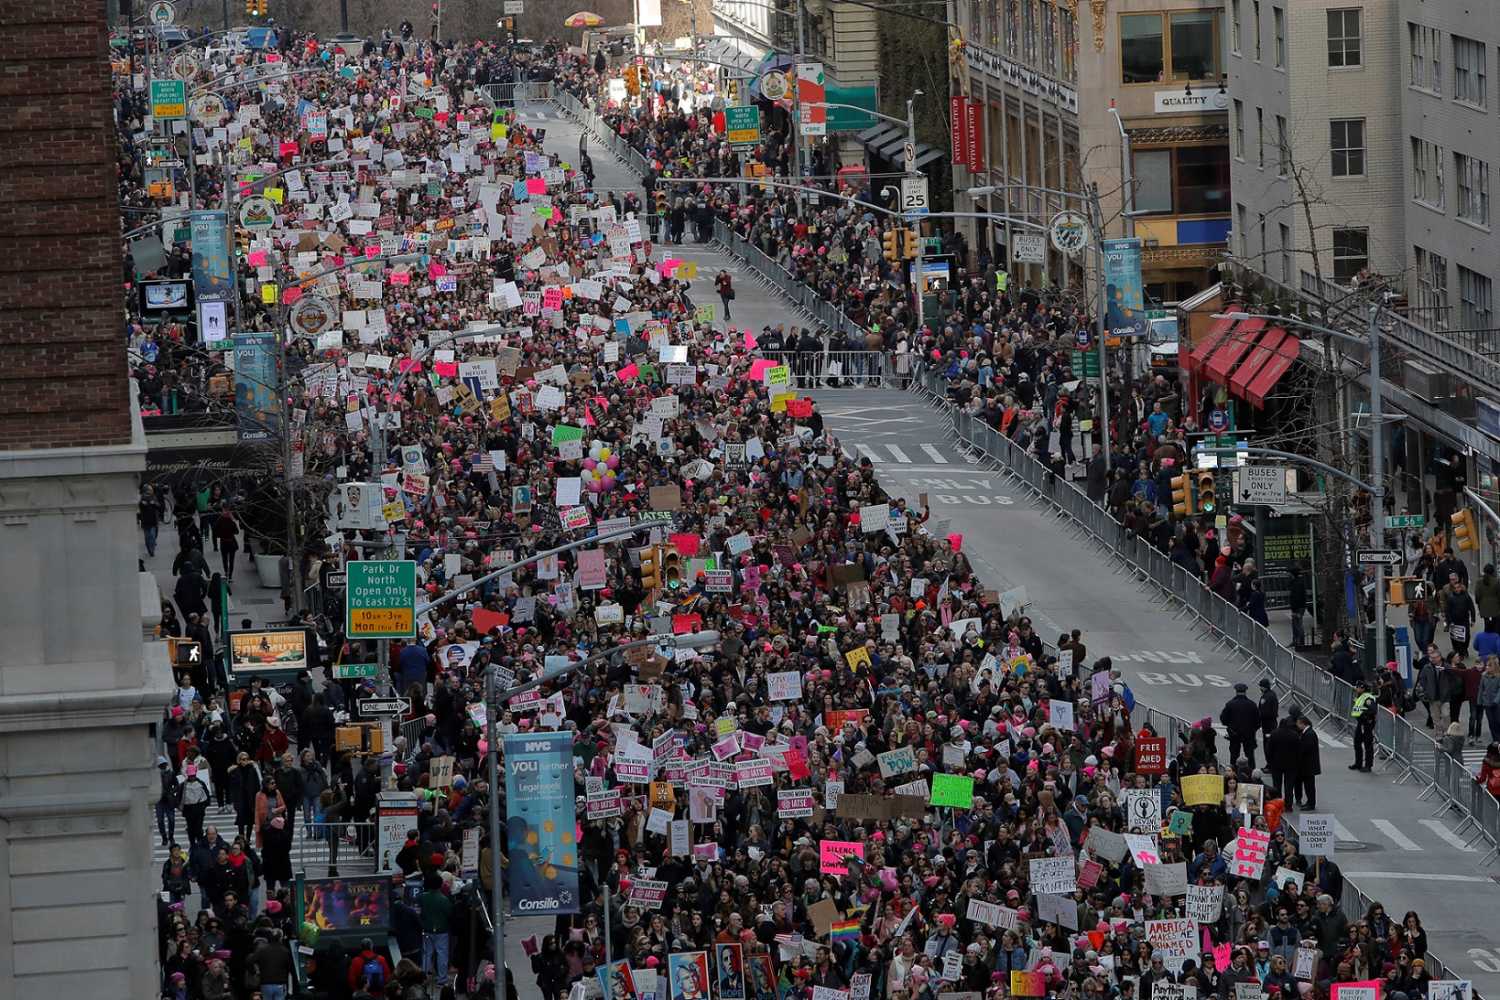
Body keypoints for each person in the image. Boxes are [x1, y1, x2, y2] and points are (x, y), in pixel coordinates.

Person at [1350, 679, 1378, 772]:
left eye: (1357, 687)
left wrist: (1364, 715)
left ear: (1362, 688)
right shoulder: (1360, 696)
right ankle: (1358, 763)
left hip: (1367, 723)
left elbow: (1373, 710)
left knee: (1368, 744)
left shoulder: (1368, 698)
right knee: (1357, 742)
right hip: (1360, 723)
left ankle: (1368, 765)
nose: (1356, 688)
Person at [1294, 712, 1321, 809]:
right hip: (1308, 765)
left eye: (1298, 724)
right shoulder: (1307, 733)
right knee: (1308, 785)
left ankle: (1311, 803)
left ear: (1303, 723)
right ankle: (1310, 802)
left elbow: (1306, 748)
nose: (1297, 726)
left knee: (1309, 786)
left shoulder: (1309, 734)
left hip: (1309, 765)